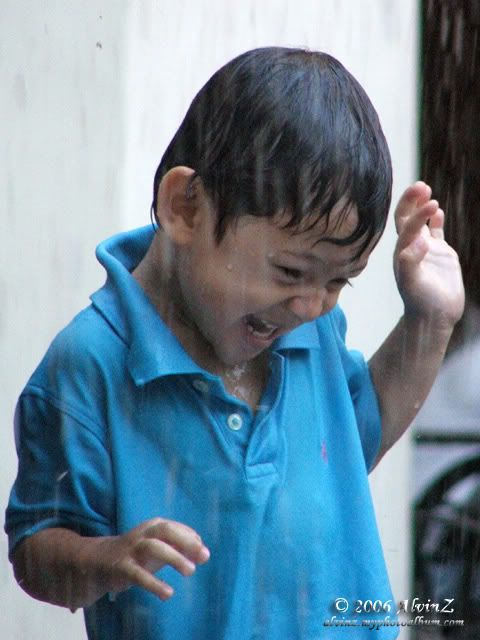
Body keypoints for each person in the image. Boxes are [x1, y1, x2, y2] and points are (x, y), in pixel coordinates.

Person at [5, 47, 464, 639]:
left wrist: (430, 321)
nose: (312, 305)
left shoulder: (306, 328)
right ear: (185, 208)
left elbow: (351, 446)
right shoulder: (91, 363)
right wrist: (107, 558)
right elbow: (36, 551)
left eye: (338, 282)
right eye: (290, 271)